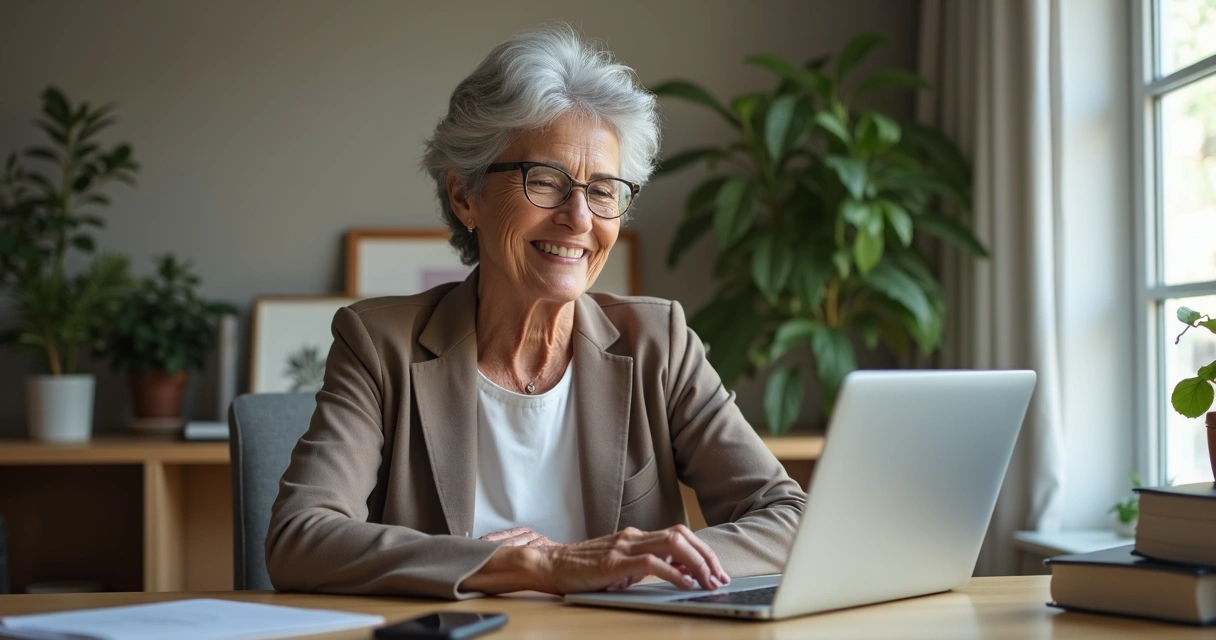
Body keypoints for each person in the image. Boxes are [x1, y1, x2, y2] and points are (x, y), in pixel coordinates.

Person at [265, 25, 807, 600]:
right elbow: (300, 539)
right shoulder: (380, 344)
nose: (579, 218)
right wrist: (536, 566)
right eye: (544, 181)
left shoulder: (658, 342)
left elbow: (788, 518)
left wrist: (643, 561)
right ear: (464, 195)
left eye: (603, 190)